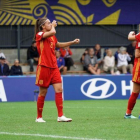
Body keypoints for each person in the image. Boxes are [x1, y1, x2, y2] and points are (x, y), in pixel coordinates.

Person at [34, 17, 80, 122]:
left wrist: (72, 42)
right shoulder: (39, 35)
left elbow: (58, 45)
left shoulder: (52, 36)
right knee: (43, 93)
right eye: (49, 23)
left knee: (59, 90)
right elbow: (53, 31)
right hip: (44, 67)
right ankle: (39, 117)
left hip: (54, 67)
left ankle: (60, 116)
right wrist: (53, 26)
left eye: (51, 23)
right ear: (43, 26)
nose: (51, 24)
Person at [124, 31, 140, 119]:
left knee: (135, 93)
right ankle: (128, 114)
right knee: (135, 92)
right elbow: (137, 54)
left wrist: (131, 33)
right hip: (139, 69)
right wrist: (131, 33)